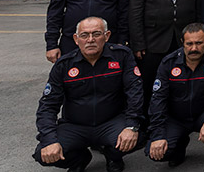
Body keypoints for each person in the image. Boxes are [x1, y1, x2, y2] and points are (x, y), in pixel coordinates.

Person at [34, 17, 142, 172]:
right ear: (76, 39)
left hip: (110, 123)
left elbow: (135, 92)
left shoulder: (121, 56)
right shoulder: (64, 65)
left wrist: (131, 126)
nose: (90, 40)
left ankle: (113, 155)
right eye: (84, 35)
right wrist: (50, 139)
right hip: (75, 126)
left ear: (107, 36)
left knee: (140, 137)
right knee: (42, 154)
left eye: (96, 34)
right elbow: (48, 105)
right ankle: (79, 158)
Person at [128, 0, 204, 104]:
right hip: (153, 41)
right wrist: (138, 43)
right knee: (151, 85)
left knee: (183, 85)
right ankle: (150, 124)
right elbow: (135, 11)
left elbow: (200, 7)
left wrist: (201, 37)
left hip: (185, 40)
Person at [146, 22, 204, 172]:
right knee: (156, 153)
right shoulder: (168, 63)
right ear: (182, 43)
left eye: (199, 43)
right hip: (176, 118)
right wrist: (158, 135)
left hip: (203, 114)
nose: (194, 48)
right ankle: (179, 145)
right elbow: (158, 99)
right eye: (189, 44)